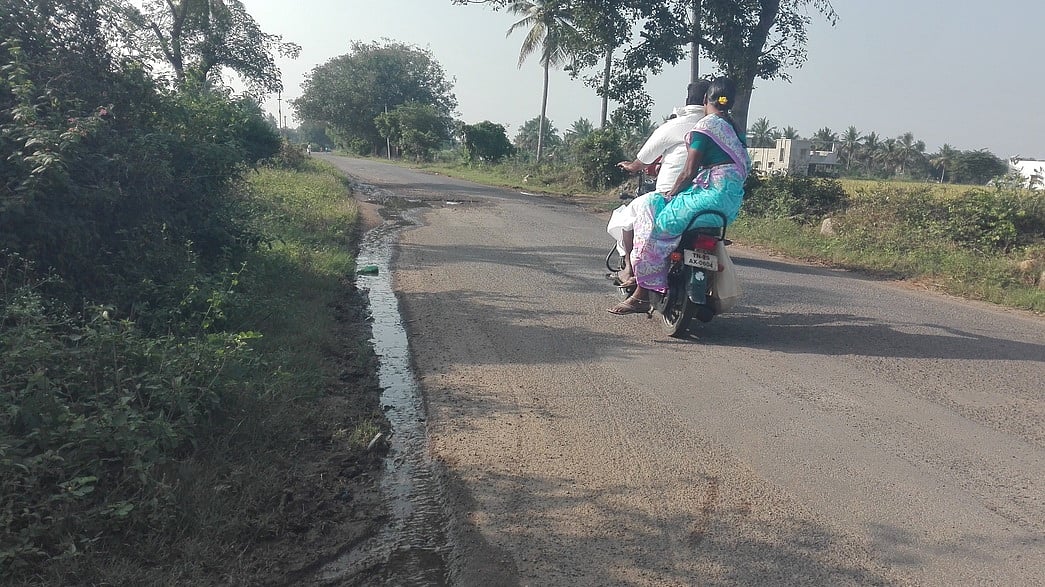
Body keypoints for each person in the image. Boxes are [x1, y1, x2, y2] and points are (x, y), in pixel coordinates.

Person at [608, 76, 751, 315]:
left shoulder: (705, 127)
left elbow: (688, 172)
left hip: (706, 199)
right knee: (660, 211)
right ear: (730, 103)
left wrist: (672, 194)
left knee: (656, 225)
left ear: (707, 100)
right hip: (728, 205)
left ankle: (642, 293)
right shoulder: (735, 130)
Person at [608, 79, 711, 286]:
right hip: (709, 199)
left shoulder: (675, 126)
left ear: (688, 101)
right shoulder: (721, 129)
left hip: (669, 195)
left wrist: (630, 166)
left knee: (627, 218)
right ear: (707, 100)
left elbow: (642, 161)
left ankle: (629, 269)